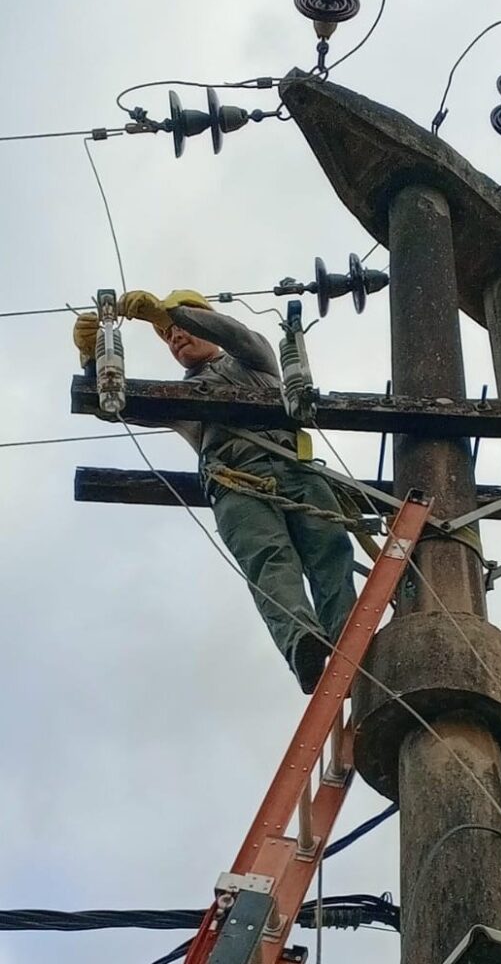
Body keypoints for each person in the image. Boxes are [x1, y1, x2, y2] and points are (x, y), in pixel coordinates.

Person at [73, 289, 357, 693]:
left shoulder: (253, 358)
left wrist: (171, 312)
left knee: (329, 548)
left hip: (295, 469)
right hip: (234, 483)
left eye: (180, 330)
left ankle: (351, 637)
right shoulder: (180, 398)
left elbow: (237, 334)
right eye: (167, 337)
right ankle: (302, 643)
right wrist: (92, 359)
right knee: (268, 560)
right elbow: (115, 404)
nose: (174, 338)